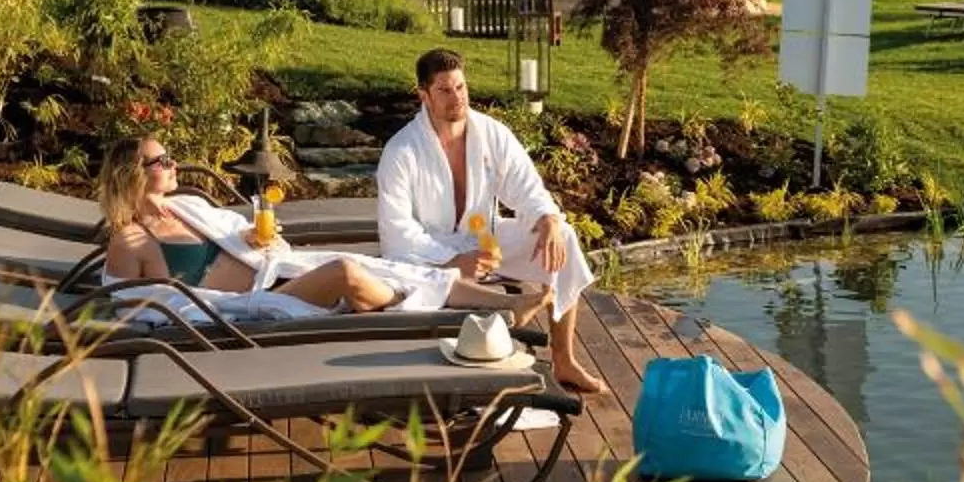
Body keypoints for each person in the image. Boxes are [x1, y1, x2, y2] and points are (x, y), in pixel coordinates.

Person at [377, 47, 605, 392]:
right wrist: (452, 259)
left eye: (461, 87)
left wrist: (547, 219)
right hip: (430, 252)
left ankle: (564, 360)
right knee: (417, 269)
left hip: (484, 240)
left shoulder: (491, 133)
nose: (457, 98)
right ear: (423, 94)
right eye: (444, 90)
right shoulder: (401, 151)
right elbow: (397, 232)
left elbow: (527, 186)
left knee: (565, 236)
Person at [92, 135, 476, 320]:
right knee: (346, 271)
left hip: (273, 273)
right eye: (162, 160)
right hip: (249, 306)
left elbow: (232, 232)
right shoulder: (131, 240)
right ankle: (407, 307)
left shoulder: (184, 207)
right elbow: (130, 310)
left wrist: (249, 238)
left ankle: (502, 302)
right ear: (132, 176)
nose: (174, 164)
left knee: (364, 265)